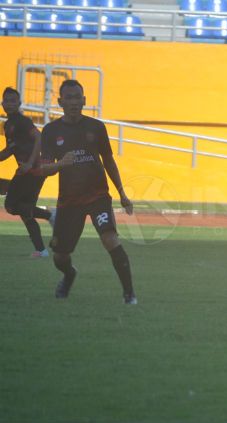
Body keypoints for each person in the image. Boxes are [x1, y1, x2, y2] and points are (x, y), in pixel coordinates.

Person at [40, 79, 137, 304]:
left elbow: (109, 161)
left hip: (98, 196)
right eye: (69, 98)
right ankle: (69, 274)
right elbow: (44, 168)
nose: (74, 102)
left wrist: (122, 193)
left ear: (84, 100)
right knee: (60, 255)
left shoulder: (96, 127)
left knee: (110, 239)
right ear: (60, 101)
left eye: (78, 97)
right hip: (69, 201)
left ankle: (129, 294)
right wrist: (60, 164)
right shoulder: (51, 131)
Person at [1, 87, 54, 258]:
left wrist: (30, 163)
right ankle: (41, 250)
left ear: (19, 103)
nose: (9, 103)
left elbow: (39, 137)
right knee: (25, 212)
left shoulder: (22, 121)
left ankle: (50, 215)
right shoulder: (8, 125)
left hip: (31, 170)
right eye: (6, 100)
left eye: (12, 100)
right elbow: (9, 150)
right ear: (2, 104)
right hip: (30, 171)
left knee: (10, 205)